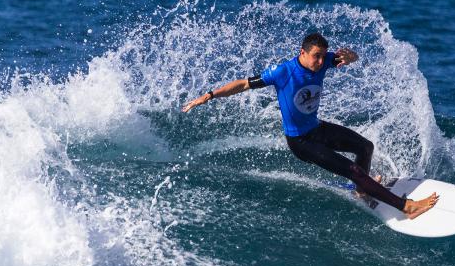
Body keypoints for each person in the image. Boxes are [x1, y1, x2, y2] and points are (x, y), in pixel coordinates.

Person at [181, 32, 439, 219]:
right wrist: (210, 95)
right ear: (302, 53)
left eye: (323, 57)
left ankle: (362, 191)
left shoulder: (325, 61)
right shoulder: (282, 72)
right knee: (353, 170)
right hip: (301, 143)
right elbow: (243, 84)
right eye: (315, 56)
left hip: (316, 128)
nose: (320, 62)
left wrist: (351, 57)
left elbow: (349, 59)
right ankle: (406, 207)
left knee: (365, 147)